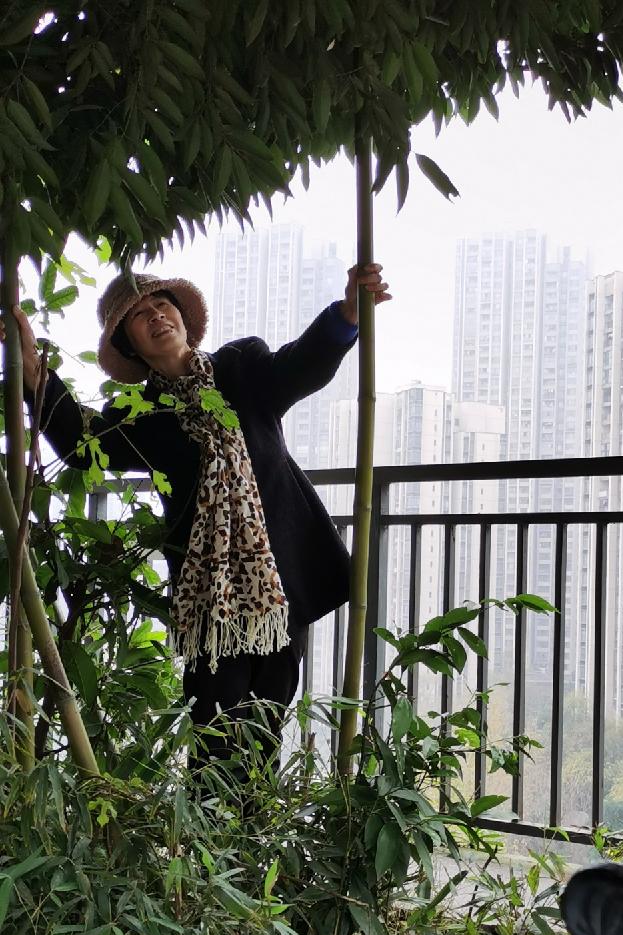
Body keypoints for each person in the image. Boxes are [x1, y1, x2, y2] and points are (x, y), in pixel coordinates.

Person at [2, 262, 391, 771]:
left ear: (183, 317)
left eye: (162, 304)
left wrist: (347, 314)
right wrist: (33, 367)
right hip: (209, 602)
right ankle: (213, 821)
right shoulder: (141, 413)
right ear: (129, 345)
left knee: (264, 730)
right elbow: (80, 441)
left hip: (278, 589)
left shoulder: (241, 367)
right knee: (213, 734)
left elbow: (300, 366)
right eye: (138, 315)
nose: (155, 316)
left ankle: (252, 824)